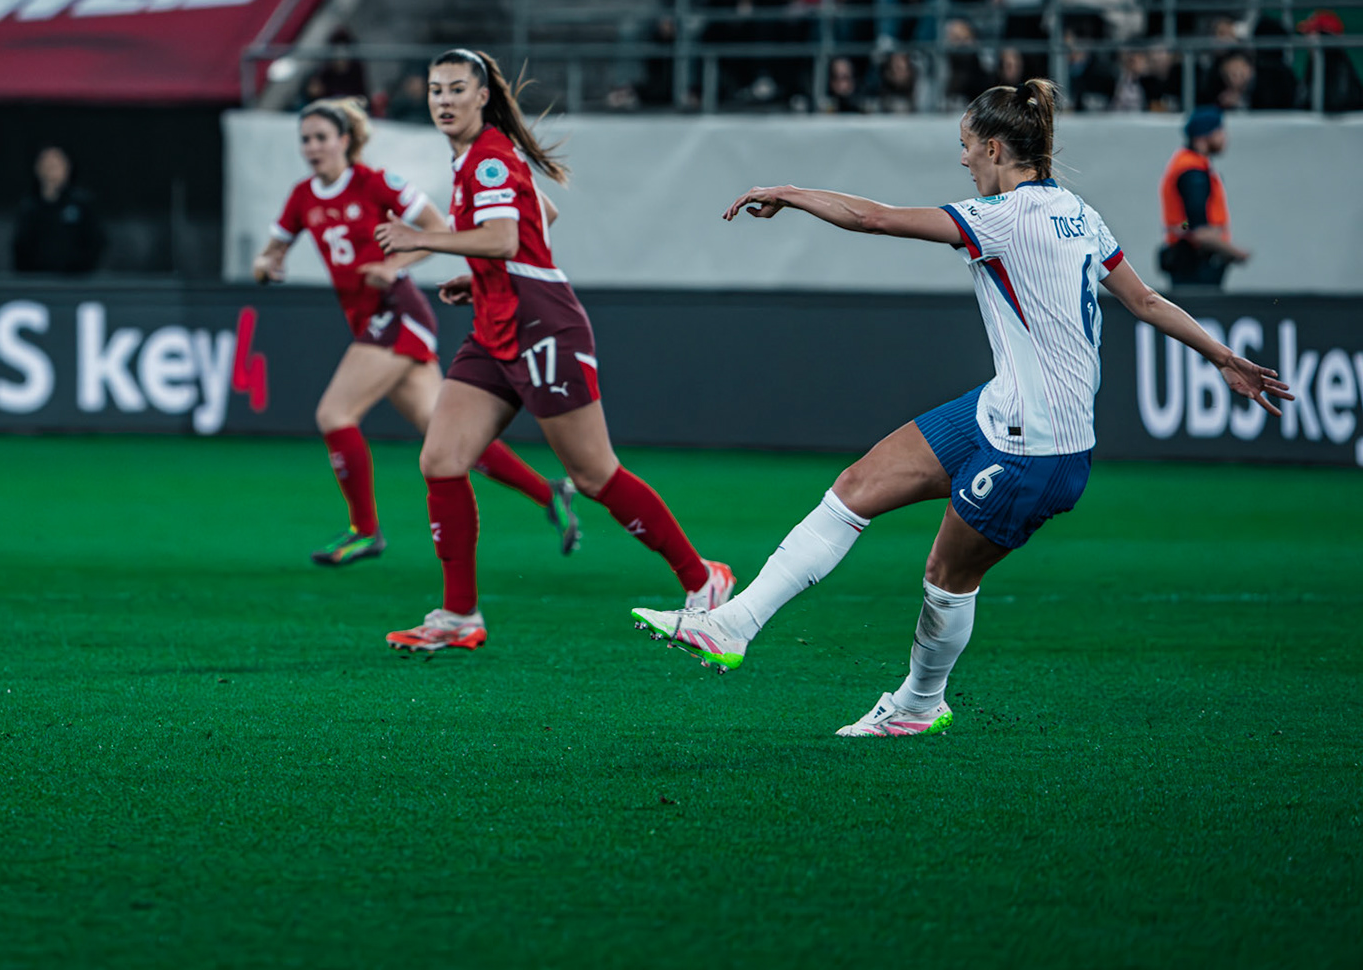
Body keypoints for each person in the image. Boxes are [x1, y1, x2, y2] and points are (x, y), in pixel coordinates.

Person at [630, 79, 1290, 735]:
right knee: (856, 486)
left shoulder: (1002, 217)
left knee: (947, 575)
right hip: (999, 410)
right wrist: (1222, 355)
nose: (964, 159)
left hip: (1039, 449)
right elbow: (1143, 299)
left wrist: (790, 193)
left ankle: (919, 704)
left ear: (998, 148)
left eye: (968, 146)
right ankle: (730, 625)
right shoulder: (1079, 213)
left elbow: (875, 218)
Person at [372, 49, 734, 652]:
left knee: (594, 474)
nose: (443, 100)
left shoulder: (486, 158)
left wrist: (422, 239)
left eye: (456, 88)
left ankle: (703, 579)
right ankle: (459, 615)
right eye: (435, 89)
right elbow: (543, 216)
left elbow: (506, 234)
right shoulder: (474, 158)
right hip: (496, 323)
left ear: (482, 95)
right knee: (441, 458)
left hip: (543, 327)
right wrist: (486, 277)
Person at [252, 97, 579, 567]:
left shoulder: (377, 183)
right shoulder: (303, 196)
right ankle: (548, 492)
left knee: (334, 414)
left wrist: (393, 265)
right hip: (369, 321)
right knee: (443, 434)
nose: (313, 147)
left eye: (322, 137)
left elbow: (434, 227)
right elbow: (268, 256)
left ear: (345, 140)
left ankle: (365, 531)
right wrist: (267, 266)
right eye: (306, 139)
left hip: (398, 312)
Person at [1157, 105, 1249, 287]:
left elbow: (1187, 224)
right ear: (1202, 138)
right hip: (1195, 265)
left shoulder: (1189, 165)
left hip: (1190, 260)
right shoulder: (1193, 172)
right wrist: (1235, 252)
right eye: (1219, 130)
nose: (1224, 137)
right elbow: (1197, 228)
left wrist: (1184, 227)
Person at [12, 146, 105, 274]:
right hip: (37, 281)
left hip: (76, 281)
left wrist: (81, 270)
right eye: (47, 165)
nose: (51, 171)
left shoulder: (81, 204)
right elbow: (20, 246)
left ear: (67, 168)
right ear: (37, 169)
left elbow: (95, 242)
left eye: (56, 165)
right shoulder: (29, 207)